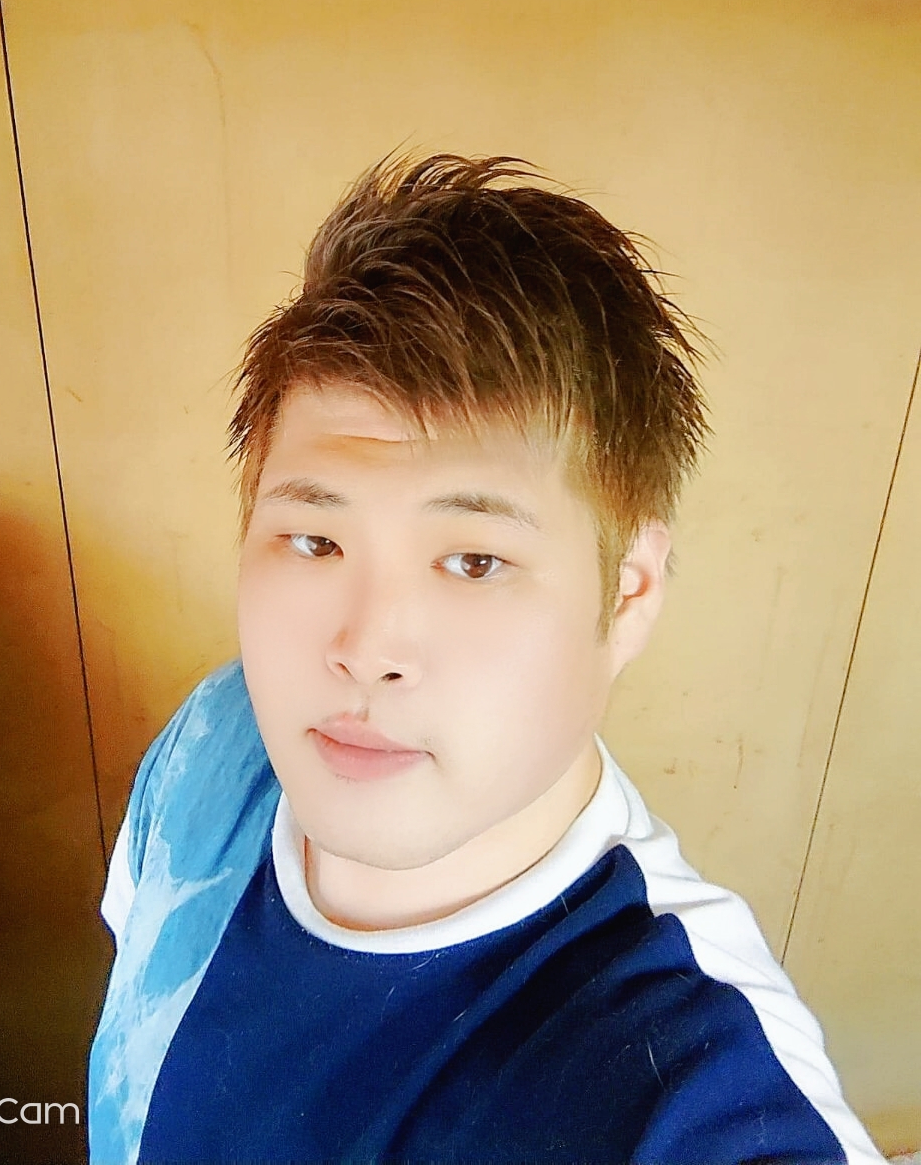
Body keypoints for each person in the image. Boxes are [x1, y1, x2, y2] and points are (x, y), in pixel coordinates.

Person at [88, 155, 885, 1165]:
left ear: (627, 593)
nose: (366, 651)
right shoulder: (218, 739)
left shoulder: (683, 1082)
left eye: (474, 561)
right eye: (317, 541)